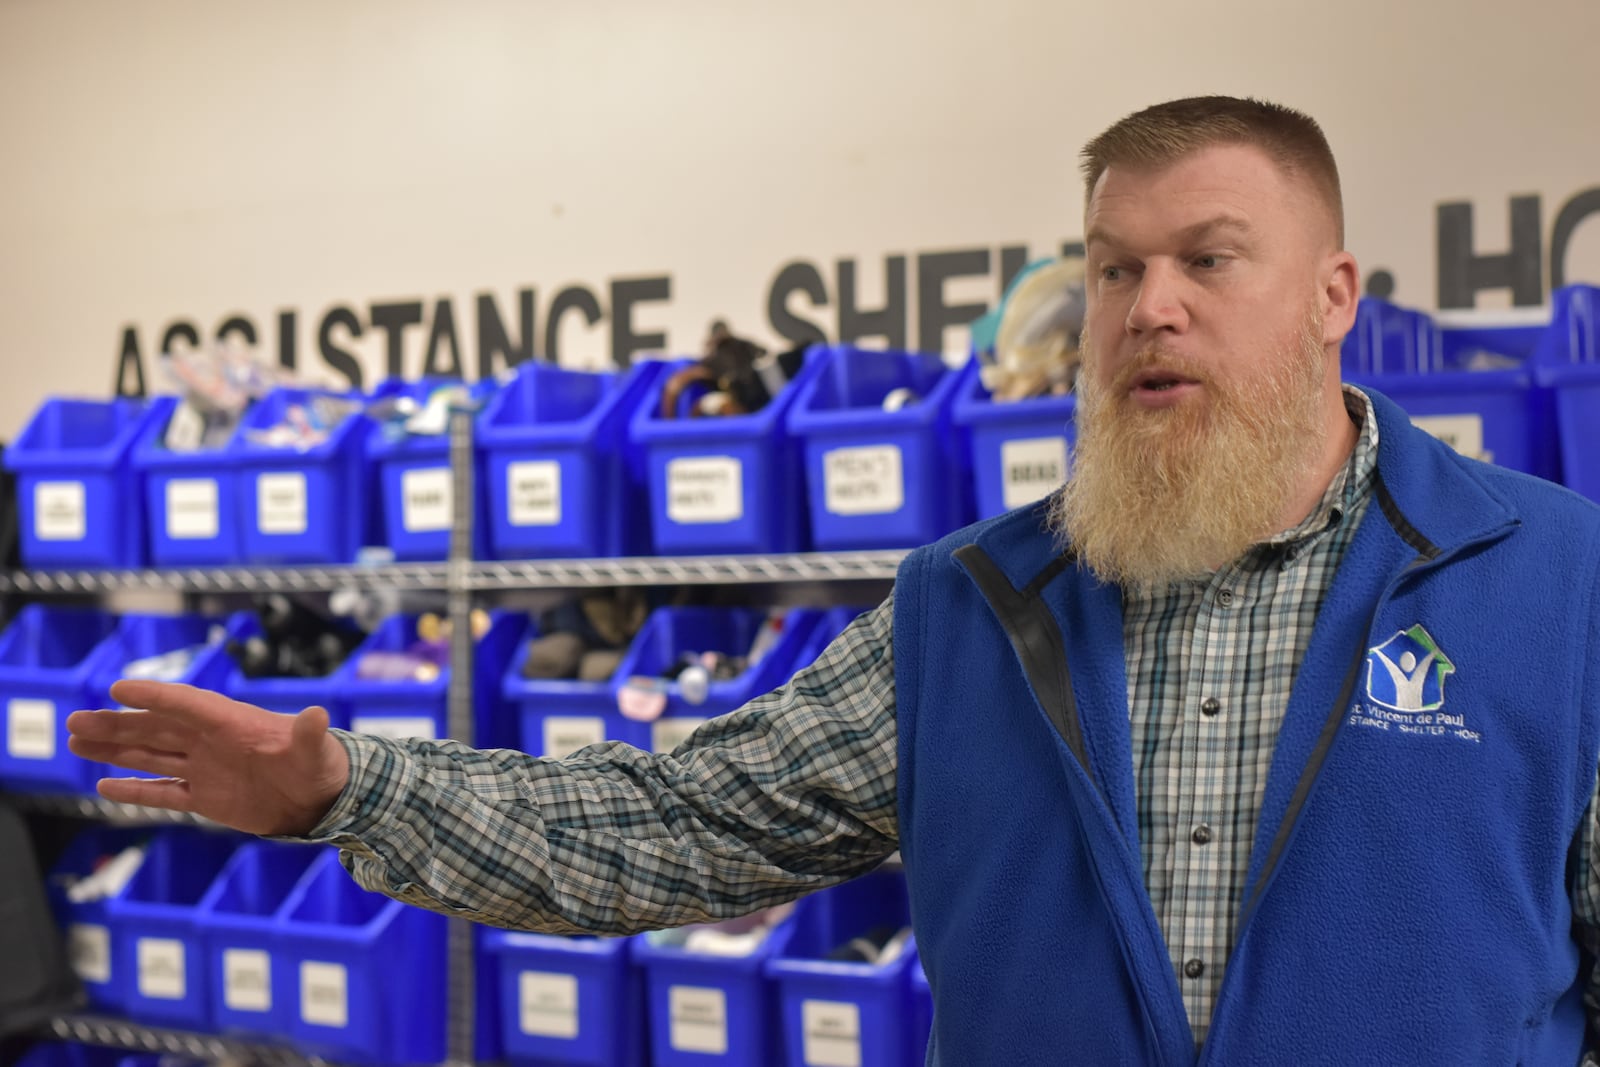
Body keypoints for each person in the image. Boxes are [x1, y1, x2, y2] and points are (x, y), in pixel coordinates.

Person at [67, 96, 1600, 1064]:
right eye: (1117, 267)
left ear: (1335, 295)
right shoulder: (968, 608)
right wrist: (349, 792)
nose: (1149, 309)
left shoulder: (1555, 581)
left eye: (1211, 260)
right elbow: (679, 828)